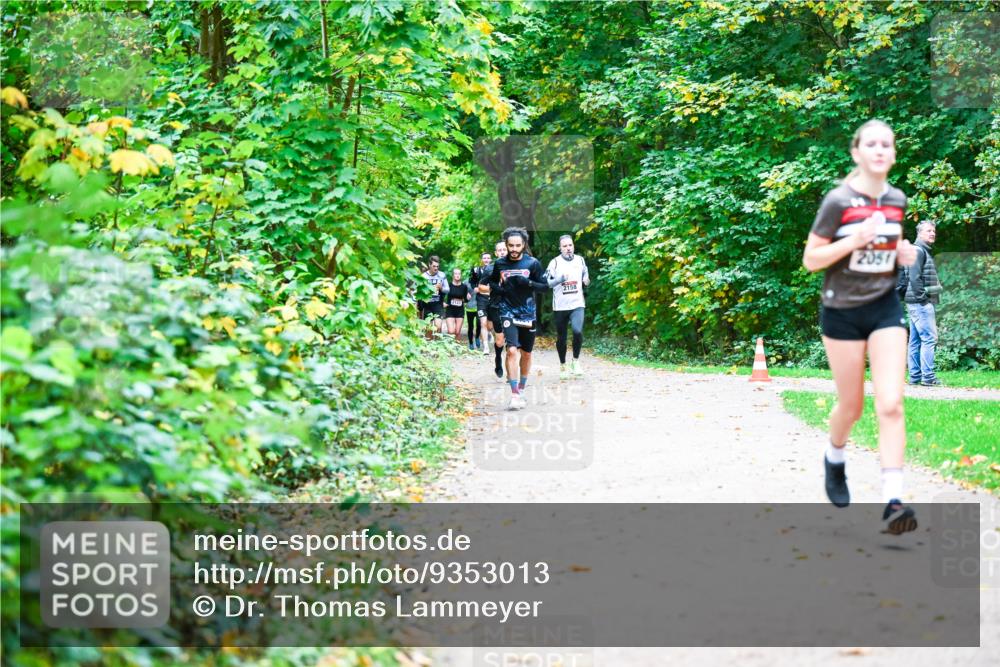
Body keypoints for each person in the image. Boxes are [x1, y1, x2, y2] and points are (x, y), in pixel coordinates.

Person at [802, 119, 919, 535]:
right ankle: (834, 457)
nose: (880, 149)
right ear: (857, 153)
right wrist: (853, 240)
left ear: (893, 154)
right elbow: (812, 259)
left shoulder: (897, 199)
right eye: (871, 144)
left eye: (887, 144)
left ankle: (894, 501)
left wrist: (900, 253)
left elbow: (886, 250)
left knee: (891, 403)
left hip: (884, 307)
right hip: (842, 311)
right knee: (851, 406)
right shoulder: (838, 201)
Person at [489, 227, 549, 410]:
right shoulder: (500, 264)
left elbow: (545, 287)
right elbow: (491, 282)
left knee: (527, 353)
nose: (514, 249)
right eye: (511, 245)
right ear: (506, 245)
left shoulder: (533, 263)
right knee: (512, 351)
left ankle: (521, 389)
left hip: (528, 312)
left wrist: (528, 283)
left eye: (517, 245)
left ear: (523, 245)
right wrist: (501, 290)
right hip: (507, 311)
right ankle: (514, 394)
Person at [903, 220, 943, 387]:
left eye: (933, 231)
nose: (932, 233)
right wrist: (923, 299)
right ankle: (928, 377)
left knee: (915, 340)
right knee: (929, 339)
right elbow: (914, 278)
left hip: (913, 301)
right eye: (928, 231)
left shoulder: (919, 250)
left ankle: (915, 377)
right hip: (920, 303)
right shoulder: (918, 250)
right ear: (919, 233)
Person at [547, 235, 590, 379]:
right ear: (560, 248)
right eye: (564, 246)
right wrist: (559, 279)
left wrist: (586, 279)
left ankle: (575, 362)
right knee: (562, 338)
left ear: (573, 246)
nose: (568, 248)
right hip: (560, 306)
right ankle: (563, 365)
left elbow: (585, 272)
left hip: (577, 304)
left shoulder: (580, 260)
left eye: (570, 245)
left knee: (577, 331)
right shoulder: (554, 263)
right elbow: (548, 283)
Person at [478, 240, 509, 379]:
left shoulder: (516, 266)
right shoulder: (490, 269)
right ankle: (498, 359)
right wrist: (493, 289)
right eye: (499, 250)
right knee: (500, 341)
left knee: (512, 342)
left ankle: (511, 373)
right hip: (496, 307)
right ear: (496, 253)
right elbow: (480, 286)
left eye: (504, 249)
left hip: (512, 307)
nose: (502, 252)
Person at [469, 252, 493, 354]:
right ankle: (486, 347)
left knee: (490, 326)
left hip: (492, 298)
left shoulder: (495, 269)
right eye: (484, 258)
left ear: (491, 260)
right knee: (483, 323)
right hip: (481, 299)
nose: (486, 260)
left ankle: (489, 332)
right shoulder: (476, 270)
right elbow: (471, 281)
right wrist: (474, 287)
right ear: (481, 260)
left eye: (488, 258)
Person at [420, 256, 448, 334]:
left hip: (438, 304)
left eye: (437, 266)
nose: (436, 268)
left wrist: (441, 288)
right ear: (429, 265)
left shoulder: (442, 275)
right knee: (428, 330)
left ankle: (438, 340)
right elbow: (418, 291)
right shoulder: (423, 276)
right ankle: (430, 341)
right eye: (434, 266)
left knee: (438, 327)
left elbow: (447, 290)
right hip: (427, 305)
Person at [444, 267, 470, 343]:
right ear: (453, 275)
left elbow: (465, 300)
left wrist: (468, 298)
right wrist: (443, 302)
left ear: (461, 275)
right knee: (451, 331)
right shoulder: (448, 285)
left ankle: (457, 347)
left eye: (459, 274)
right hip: (450, 310)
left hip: (460, 311)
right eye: (456, 273)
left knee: (457, 332)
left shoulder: (464, 287)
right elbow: (442, 294)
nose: (457, 275)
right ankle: (450, 346)